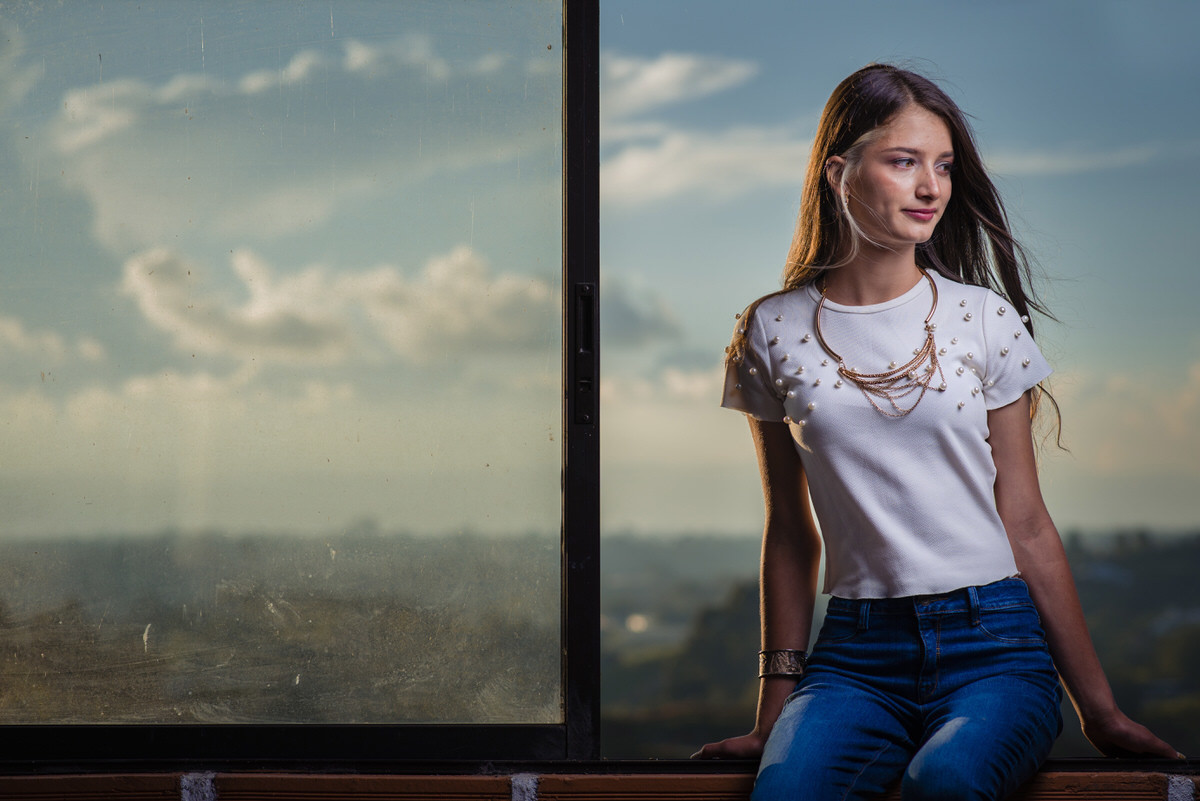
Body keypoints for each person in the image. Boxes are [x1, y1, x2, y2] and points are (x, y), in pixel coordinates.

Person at [694, 64, 1182, 800]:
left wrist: (1099, 708)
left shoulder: (983, 318)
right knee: (786, 791)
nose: (932, 187)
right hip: (856, 656)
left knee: (945, 781)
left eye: (944, 166)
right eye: (904, 162)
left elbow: (1026, 520)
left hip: (996, 647)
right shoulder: (773, 329)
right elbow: (791, 535)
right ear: (840, 171)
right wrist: (770, 716)